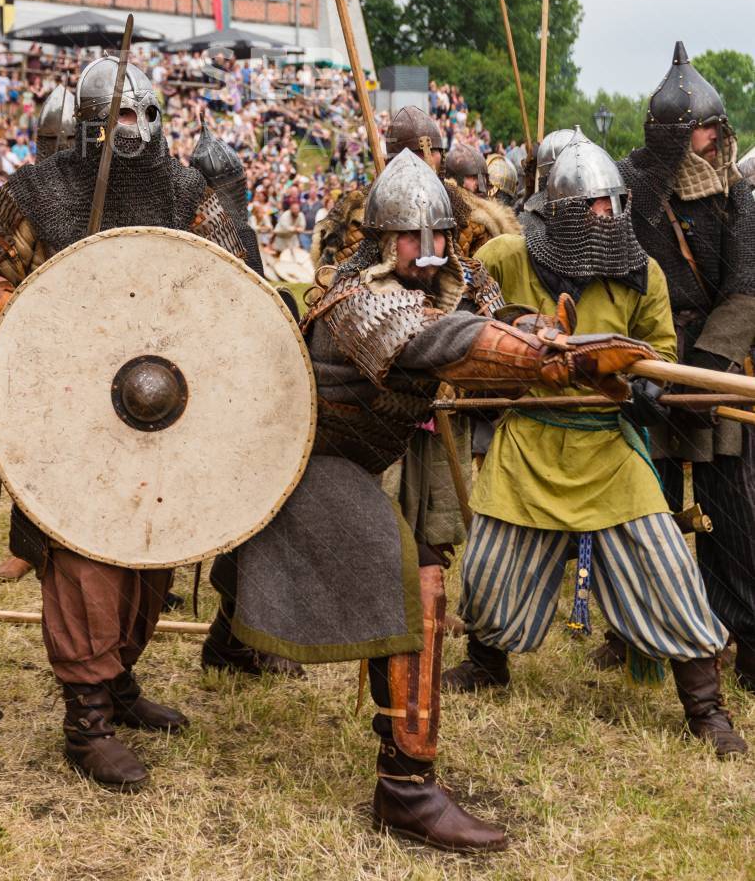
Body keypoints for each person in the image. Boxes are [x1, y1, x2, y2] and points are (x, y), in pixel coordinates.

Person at [206, 150, 665, 852]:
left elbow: (490, 309)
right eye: (409, 239)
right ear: (379, 238)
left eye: (439, 237)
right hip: (306, 461)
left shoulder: (454, 275)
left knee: (337, 569)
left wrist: (537, 329)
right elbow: (436, 339)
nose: (427, 252)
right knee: (416, 578)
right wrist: (542, 356)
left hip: (353, 460)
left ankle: (231, 637)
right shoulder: (355, 298)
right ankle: (406, 786)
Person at [0, 56, 248, 790]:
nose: (133, 130)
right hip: (66, 403)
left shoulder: (182, 189)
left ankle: (119, 681)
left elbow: (236, 281)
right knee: (85, 555)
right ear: (87, 123)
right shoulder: (38, 189)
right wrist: (38, 311)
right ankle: (86, 721)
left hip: (159, 399)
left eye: (143, 114)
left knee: (151, 547)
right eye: (117, 116)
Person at [445, 138, 747, 758]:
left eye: (614, 205)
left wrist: (644, 384)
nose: (609, 219)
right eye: (596, 208)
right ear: (561, 213)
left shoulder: (642, 274)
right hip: (529, 439)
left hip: (608, 449)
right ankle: (486, 663)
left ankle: (706, 707)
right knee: (485, 573)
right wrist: (509, 330)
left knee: (669, 575)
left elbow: (659, 351)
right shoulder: (510, 256)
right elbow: (463, 292)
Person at [614, 42, 755, 689]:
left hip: (718, 372)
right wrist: (645, 367)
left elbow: (744, 294)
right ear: (672, 137)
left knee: (733, 517)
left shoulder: (738, 200)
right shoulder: (633, 200)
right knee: (650, 514)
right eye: (705, 129)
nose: (716, 139)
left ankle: (746, 641)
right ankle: (642, 640)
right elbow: (617, 283)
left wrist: (702, 374)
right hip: (651, 368)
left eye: (717, 129)